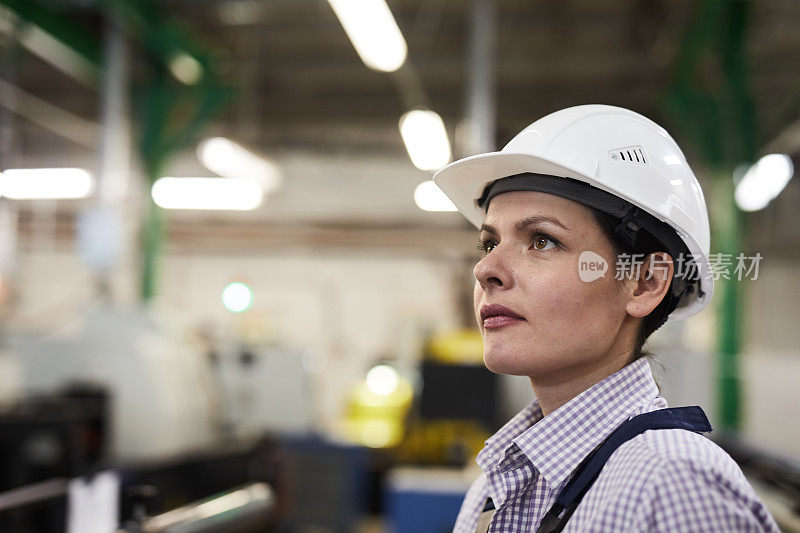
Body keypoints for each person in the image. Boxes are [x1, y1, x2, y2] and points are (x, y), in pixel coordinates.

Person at [432, 105, 780, 532]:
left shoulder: (674, 486)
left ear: (645, 283)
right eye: (489, 243)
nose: (485, 270)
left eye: (542, 240)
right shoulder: (493, 489)